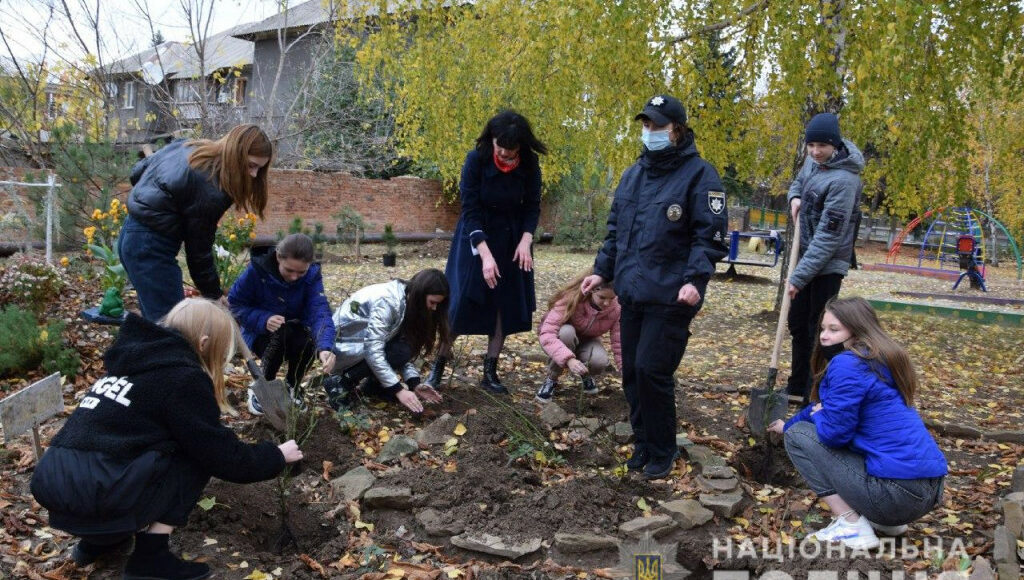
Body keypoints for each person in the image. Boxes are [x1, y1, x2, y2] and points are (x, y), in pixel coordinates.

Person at [30, 299, 303, 580]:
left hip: (55, 486)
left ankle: (98, 542)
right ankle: (150, 558)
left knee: (141, 447)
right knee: (195, 454)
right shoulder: (183, 378)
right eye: (221, 354)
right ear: (204, 343)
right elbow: (224, 457)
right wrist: (276, 456)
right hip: (98, 495)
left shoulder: (130, 361)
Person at [581, 94, 729, 479]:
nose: (649, 133)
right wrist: (602, 271)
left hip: (672, 296)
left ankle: (664, 450)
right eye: (645, 125)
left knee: (652, 370)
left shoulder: (700, 176)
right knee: (631, 372)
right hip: (632, 293)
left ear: (676, 130)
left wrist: (696, 280)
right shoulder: (633, 175)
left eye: (657, 126)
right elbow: (616, 233)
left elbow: (709, 237)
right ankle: (643, 444)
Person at [767, 297, 947, 550]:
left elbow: (834, 435)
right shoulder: (877, 359)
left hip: (897, 495)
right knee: (796, 429)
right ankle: (884, 522)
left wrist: (796, 427)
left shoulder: (847, 364)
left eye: (834, 329)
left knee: (797, 436)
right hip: (926, 493)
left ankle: (850, 525)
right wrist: (789, 422)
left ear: (857, 329)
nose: (824, 337)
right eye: (822, 328)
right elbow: (824, 406)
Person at [424, 111, 547, 394]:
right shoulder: (476, 160)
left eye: (511, 152)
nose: (505, 156)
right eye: (500, 149)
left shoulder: (530, 163)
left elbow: (532, 205)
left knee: (504, 303)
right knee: (461, 301)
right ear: (491, 140)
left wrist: (526, 240)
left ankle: (490, 372)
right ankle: (438, 368)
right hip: (475, 234)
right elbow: (469, 208)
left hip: (513, 239)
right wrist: (484, 254)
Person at [120, 124, 274, 321]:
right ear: (235, 154)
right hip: (150, 249)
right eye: (251, 165)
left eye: (259, 169)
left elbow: (136, 173)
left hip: (130, 235)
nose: (254, 174)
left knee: (155, 323)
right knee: (173, 327)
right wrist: (214, 294)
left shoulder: (187, 146)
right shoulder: (211, 185)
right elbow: (198, 251)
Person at [785, 113, 863, 404]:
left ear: (835, 144)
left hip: (829, 265)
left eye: (822, 146)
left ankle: (817, 392)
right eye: (811, 145)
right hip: (807, 258)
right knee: (797, 324)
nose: (816, 151)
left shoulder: (844, 180)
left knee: (821, 331)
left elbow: (828, 239)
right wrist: (794, 198)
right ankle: (796, 386)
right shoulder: (813, 163)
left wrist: (798, 277)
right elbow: (798, 182)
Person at [228, 233, 337, 414]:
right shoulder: (256, 272)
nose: (295, 277)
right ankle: (264, 385)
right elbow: (235, 304)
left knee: (310, 340)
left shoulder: (312, 276)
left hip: (295, 331)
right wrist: (263, 319)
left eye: (300, 272)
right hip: (260, 334)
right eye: (289, 270)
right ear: (278, 257)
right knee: (282, 334)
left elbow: (320, 311)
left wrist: (325, 347)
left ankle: (292, 386)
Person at [323, 269, 450, 414]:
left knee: (403, 349)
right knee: (399, 350)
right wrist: (398, 390)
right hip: (340, 348)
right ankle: (340, 383)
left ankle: (373, 387)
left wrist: (414, 383)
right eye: (432, 302)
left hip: (361, 345)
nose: (434, 308)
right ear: (420, 295)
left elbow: (401, 350)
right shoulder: (389, 302)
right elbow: (373, 350)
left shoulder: (407, 301)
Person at [535, 269, 622, 403]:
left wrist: (624, 371)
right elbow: (547, 333)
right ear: (592, 290)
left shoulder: (616, 308)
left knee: (599, 361)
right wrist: (569, 359)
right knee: (567, 333)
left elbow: (618, 343)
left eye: (612, 298)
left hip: (588, 341)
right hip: (561, 338)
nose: (607, 303)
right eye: (602, 297)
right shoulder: (571, 298)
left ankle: (586, 375)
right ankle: (551, 379)